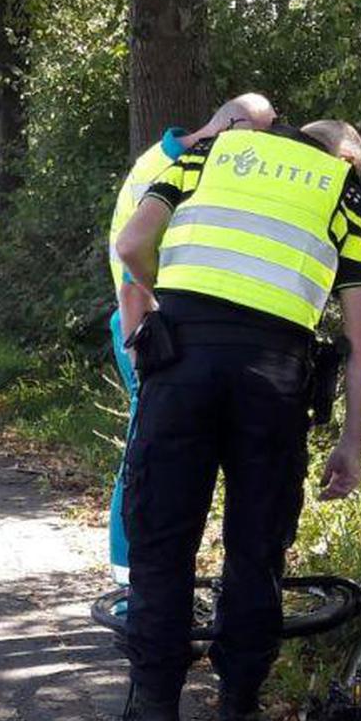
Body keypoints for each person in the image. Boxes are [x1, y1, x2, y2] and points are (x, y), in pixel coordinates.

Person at [109, 117, 361, 721]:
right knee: (257, 548)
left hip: (183, 359)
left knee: (161, 543)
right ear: (344, 156)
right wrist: (352, 442)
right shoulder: (345, 192)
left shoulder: (210, 154)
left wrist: (161, 302)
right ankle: (238, 718)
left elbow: (132, 242)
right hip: (275, 375)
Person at [103, 93, 276, 586]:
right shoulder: (169, 165)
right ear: (235, 126)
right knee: (145, 452)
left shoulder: (177, 158)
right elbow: (136, 250)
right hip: (149, 324)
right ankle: (129, 583)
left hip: (166, 324)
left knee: (163, 451)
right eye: (258, 141)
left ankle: (148, 585)